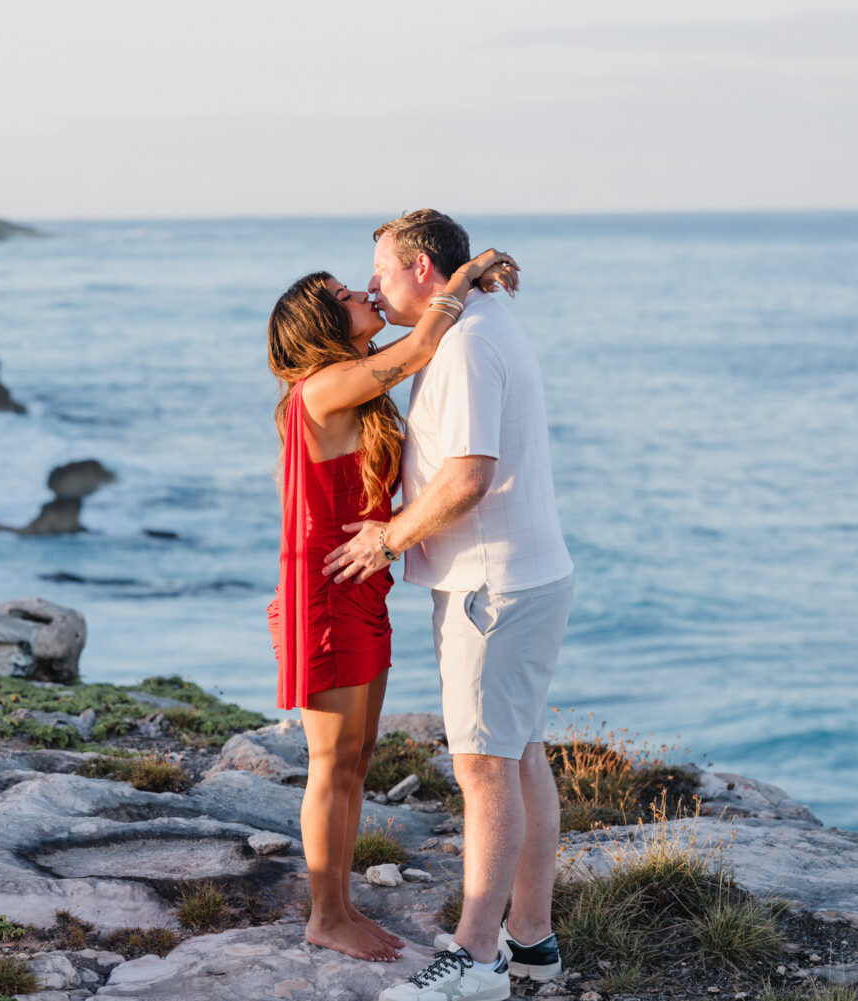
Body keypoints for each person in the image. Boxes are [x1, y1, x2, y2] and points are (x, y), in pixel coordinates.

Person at [322, 210, 574, 1001]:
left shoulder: (464, 344)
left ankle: (476, 957)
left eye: (383, 273)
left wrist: (387, 540)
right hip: (524, 575)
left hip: (488, 586)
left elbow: (467, 477)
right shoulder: (479, 316)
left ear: (424, 269)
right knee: (520, 753)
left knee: (484, 766)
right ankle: (530, 941)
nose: (372, 285)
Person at [266, 247, 518, 963]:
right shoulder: (320, 389)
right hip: (325, 599)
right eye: (346, 294)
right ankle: (326, 914)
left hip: (356, 591)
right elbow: (417, 349)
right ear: (321, 322)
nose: (365, 293)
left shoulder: (347, 393)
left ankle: (339, 904)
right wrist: (460, 280)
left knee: (356, 758)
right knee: (332, 762)